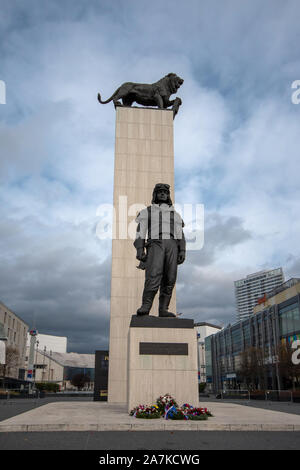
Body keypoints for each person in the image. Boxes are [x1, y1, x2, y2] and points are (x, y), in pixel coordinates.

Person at [133, 183, 186, 317]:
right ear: (155, 195)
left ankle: (163, 309)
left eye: (165, 192)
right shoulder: (148, 211)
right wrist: (140, 249)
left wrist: (182, 250)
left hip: (173, 245)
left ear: (168, 196)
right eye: (160, 192)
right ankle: (146, 306)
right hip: (156, 243)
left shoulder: (175, 214)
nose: (163, 194)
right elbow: (140, 231)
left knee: (170, 278)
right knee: (153, 275)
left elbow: (180, 234)